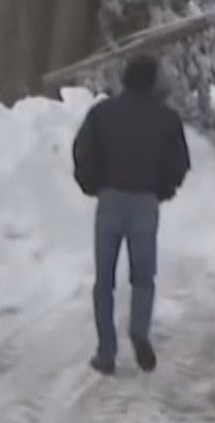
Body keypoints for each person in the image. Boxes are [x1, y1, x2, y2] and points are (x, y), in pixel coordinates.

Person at [73, 55, 191, 376]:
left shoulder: (101, 113)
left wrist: (92, 184)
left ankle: (106, 351)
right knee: (143, 277)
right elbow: (180, 163)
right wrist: (163, 189)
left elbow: (83, 152)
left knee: (104, 281)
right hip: (145, 203)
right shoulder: (167, 119)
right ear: (153, 81)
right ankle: (139, 329)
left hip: (110, 199)